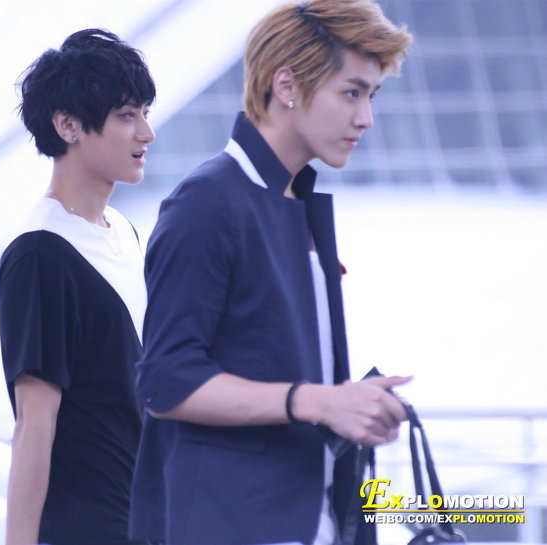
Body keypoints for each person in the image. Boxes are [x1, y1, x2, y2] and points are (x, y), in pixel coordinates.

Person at [130, 2, 414, 545]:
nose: (366, 118)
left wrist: (350, 402)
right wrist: (320, 401)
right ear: (287, 85)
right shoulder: (207, 202)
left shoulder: (294, 203)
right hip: (228, 522)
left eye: (372, 96)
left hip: (305, 516)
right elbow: (165, 382)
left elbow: (273, 371)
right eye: (351, 93)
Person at [0, 29, 156, 545]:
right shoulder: (39, 254)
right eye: (127, 115)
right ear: (68, 125)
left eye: (144, 112)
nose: (146, 133)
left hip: (148, 517)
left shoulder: (124, 232)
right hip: (88, 527)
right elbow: (34, 423)